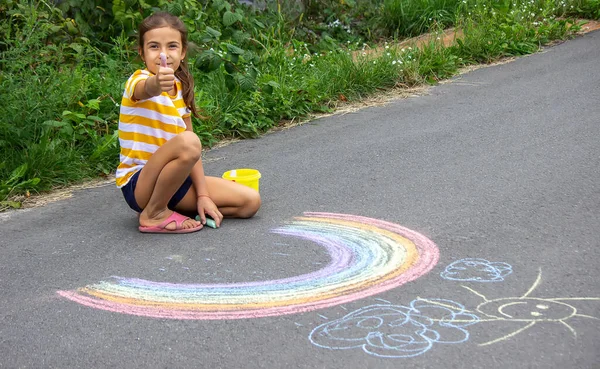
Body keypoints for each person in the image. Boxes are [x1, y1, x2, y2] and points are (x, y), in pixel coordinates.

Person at [116, 12, 261, 234]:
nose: (163, 54)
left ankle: (167, 206)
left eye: (172, 46)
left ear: (183, 52)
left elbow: (192, 154)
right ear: (142, 52)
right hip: (140, 184)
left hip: (175, 184)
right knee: (189, 141)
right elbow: (146, 89)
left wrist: (203, 196)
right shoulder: (137, 81)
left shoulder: (179, 90)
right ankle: (153, 213)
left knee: (250, 202)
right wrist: (157, 82)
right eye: (154, 47)